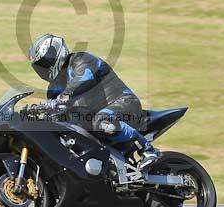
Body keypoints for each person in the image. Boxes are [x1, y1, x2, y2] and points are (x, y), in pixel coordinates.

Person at [28, 33, 160, 170]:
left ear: (56, 52)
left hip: (123, 102)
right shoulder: (54, 87)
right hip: (91, 118)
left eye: (45, 62)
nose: (43, 68)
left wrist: (64, 96)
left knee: (102, 121)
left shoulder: (81, 60)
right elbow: (55, 112)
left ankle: (148, 151)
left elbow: (84, 79)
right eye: (40, 66)